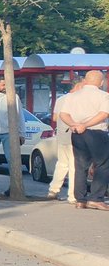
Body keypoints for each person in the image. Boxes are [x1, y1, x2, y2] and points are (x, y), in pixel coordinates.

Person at [58, 70, 109, 210]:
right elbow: (104, 114)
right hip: (97, 132)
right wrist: (85, 125)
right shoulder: (104, 96)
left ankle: (80, 199)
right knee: (102, 164)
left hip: (77, 133)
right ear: (101, 82)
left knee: (80, 166)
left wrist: (74, 124)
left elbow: (63, 114)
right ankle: (96, 198)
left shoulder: (72, 96)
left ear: (85, 80)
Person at [47, 83, 81, 203]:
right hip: (74, 135)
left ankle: (53, 190)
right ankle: (72, 195)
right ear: (78, 87)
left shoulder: (60, 99)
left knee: (62, 164)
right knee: (74, 166)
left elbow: (54, 118)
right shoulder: (77, 100)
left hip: (61, 136)